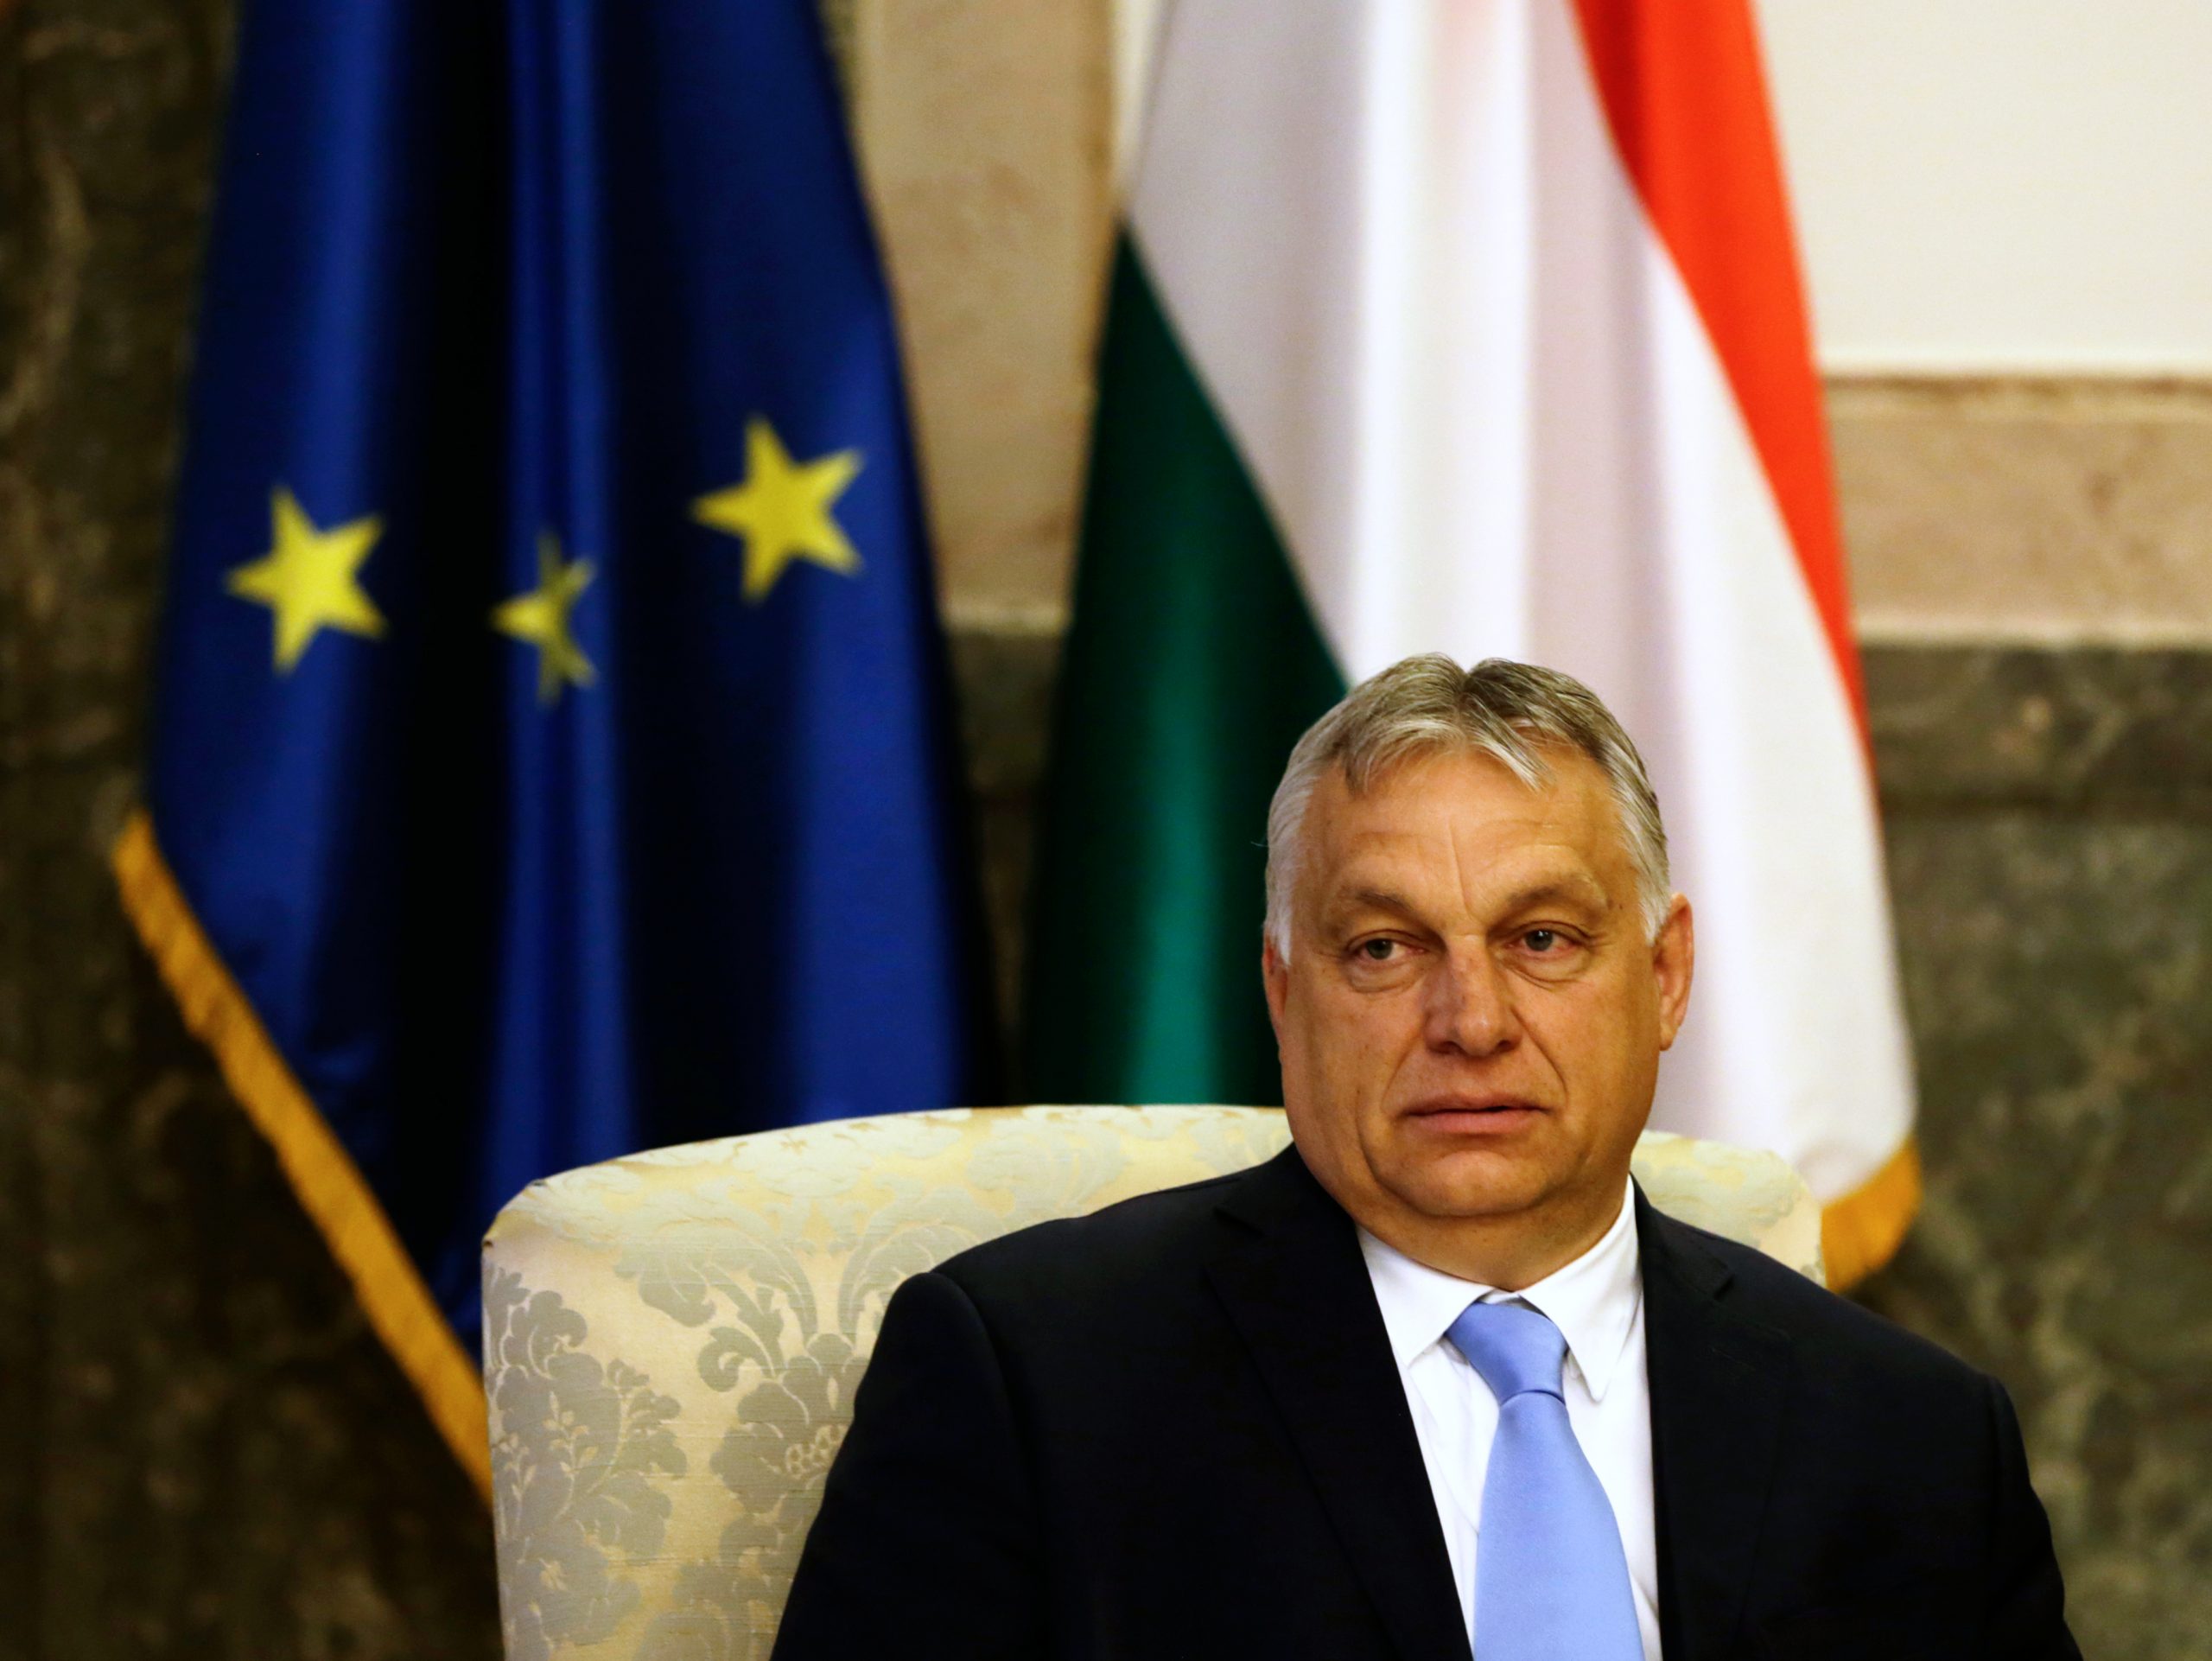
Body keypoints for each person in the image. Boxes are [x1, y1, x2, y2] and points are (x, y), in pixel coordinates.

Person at [772, 655, 2078, 1659]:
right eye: (1385, 949)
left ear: (1666, 976)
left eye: (1543, 939)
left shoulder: (1912, 1438)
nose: (1472, 1021)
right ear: (1284, 993)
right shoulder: (1032, 1382)